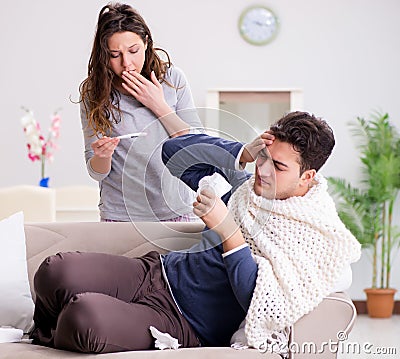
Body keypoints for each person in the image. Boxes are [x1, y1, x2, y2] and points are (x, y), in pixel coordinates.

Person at [30, 111, 361, 355]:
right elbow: (174, 154)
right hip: (156, 271)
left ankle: (52, 330)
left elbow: (256, 298)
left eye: (279, 166)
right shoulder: (248, 188)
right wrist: (241, 153)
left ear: (308, 177)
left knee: (83, 316)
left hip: (185, 323)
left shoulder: (313, 232)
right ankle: (43, 330)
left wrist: (227, 229)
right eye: (264, 157)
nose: (264, 170)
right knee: (54, 271)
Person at [79, 2, 202, 222]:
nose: (127, 63)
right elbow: (97, 172)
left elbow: (196, 147)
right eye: (115, 55)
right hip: (121, 216)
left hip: (178, 211)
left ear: (146, 42)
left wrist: (157, 104)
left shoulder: (172, 79)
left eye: (133, 51)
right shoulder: (94, 92)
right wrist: (102, 156)